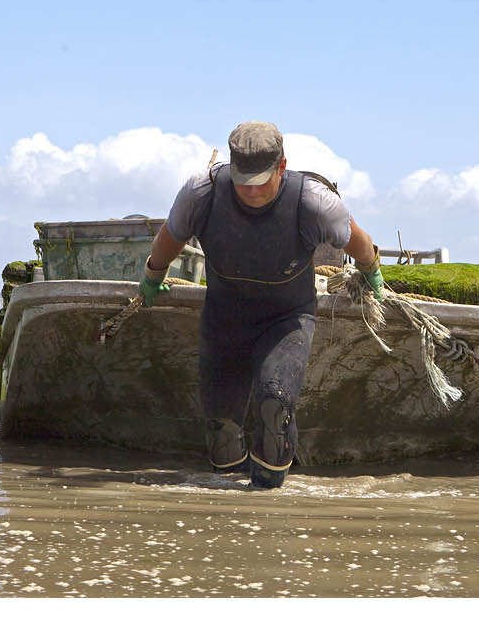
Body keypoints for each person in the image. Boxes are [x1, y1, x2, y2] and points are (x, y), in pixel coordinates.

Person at [141, 121, 385, 489]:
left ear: (281, 167)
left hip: (286, 319)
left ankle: (268, 498)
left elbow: (358, 242)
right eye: (243, 181)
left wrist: (372, 272)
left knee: (274, 402)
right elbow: (170, 237)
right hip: (225, 316)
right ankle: (227, 507)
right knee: (221, 430)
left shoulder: (313, 201)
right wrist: (153, 275)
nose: (250, 191)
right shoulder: (202, 192)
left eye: (260, 181)